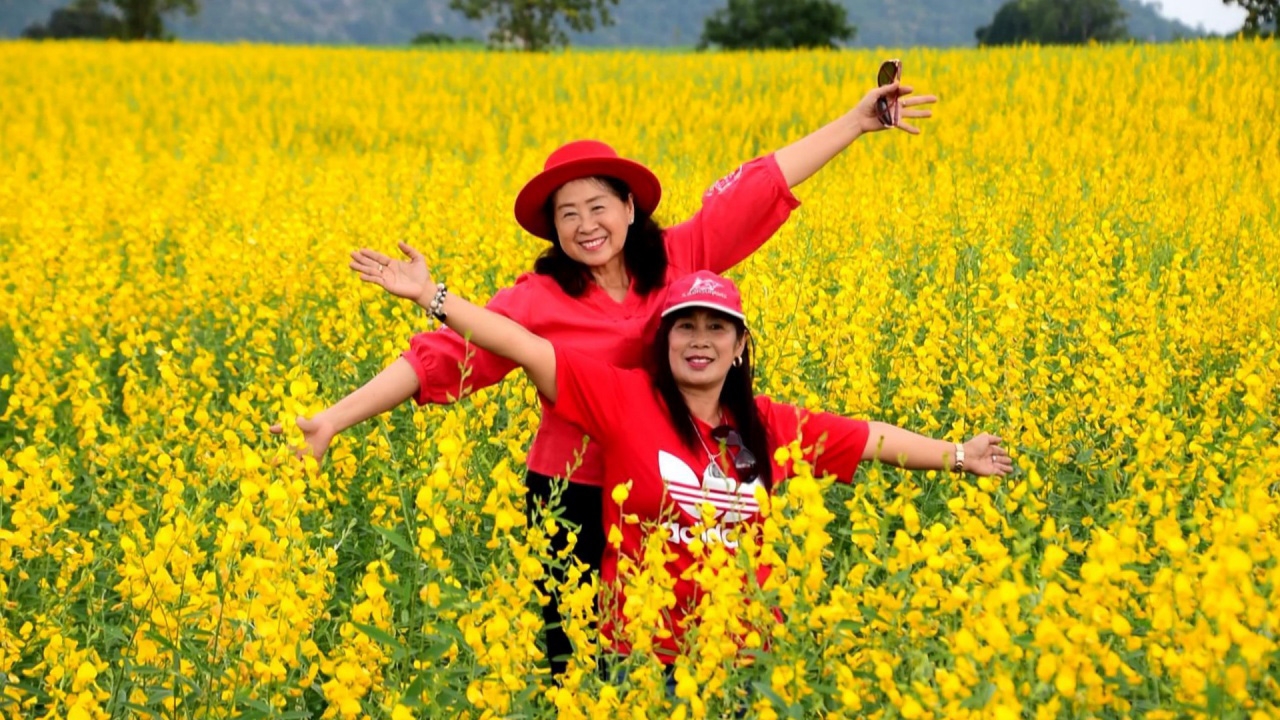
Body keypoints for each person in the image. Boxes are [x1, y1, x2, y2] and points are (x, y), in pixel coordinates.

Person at [278, 80, 939, 676]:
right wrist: (333, 419)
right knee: (576, 659)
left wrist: (856, 123)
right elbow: (442, 356)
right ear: (553, 231)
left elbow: (758, 188)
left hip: (668, 492)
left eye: (598, 207)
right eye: (568, 215)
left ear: (630, 208)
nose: (586, 226)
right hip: (575, 496)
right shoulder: (537, 298)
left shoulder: (683, 258)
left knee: (687, 646)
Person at [353, 252, 1014, 672]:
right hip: (635, 651)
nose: (700, 341)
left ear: (740, 345)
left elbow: (869, 440)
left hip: (744, 652)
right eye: (685, 327)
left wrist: (959, 456)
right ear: (663, 340)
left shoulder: (771, 425)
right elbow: (524, 346)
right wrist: (432, 298)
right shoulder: (621, 399)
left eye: (715, 328)